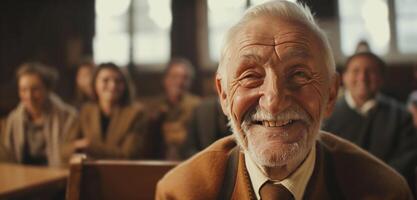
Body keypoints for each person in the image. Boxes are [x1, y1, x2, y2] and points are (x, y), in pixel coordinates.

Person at [156, 1, 413, 199]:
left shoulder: (383, 191)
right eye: (250, 76)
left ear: (331, 94)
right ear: (224, 94)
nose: (273, 101)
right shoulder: (182, 192)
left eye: (299, 75)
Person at [323, 52, 417, 193]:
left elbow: (407, 159)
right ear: (344, 77)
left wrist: (376, 186)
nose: (362, 77)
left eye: (370, 71)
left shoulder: (401, 115)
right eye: (355, 71)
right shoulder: (326, 115)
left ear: (381, 78)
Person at [62, 63, 151, 160]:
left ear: (125, 85)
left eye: (118, 81)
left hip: (123, 173)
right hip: (90, 172)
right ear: (95, 83)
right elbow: (64, 150)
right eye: (105, 80)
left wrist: (90, 146)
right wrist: (79, 145)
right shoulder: (85, 111)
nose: (112, 85)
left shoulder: (135, 114)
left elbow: (128, 155)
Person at [1, 62, 77, 167]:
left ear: (47, 89)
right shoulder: (13, 119)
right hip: (24, 176)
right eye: (23, 90)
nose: (29, 96)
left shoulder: (68, 117)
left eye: (35, 89)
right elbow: (9, 156)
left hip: (57, 178)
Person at [153, 58, 201, 160]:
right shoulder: (155, 107)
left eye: (185, 78)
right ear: (165, 80)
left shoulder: (197, 106)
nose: (179, 82)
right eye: (174, 77)